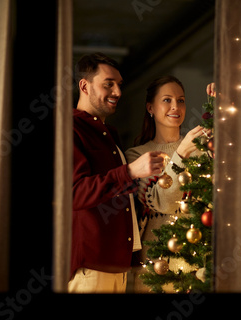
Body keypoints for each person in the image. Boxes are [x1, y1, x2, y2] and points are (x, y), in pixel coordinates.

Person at [70, 53, 167, 293]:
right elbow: (75, 194)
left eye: (119, 85)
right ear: (84, 86)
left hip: (118, 267)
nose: (118, 92)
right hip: (91, 268)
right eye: (108, 84)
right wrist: (131, 170)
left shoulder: (109, 134)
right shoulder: (70, 128)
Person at [125, 75, 210, 293]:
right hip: (154, 268)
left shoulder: (201, 150)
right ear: (150, 107)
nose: (175, 106)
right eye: (167, 100)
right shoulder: (137, 155)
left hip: (198, 265)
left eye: (181, 100)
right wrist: (181, 154)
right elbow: (163, 202)